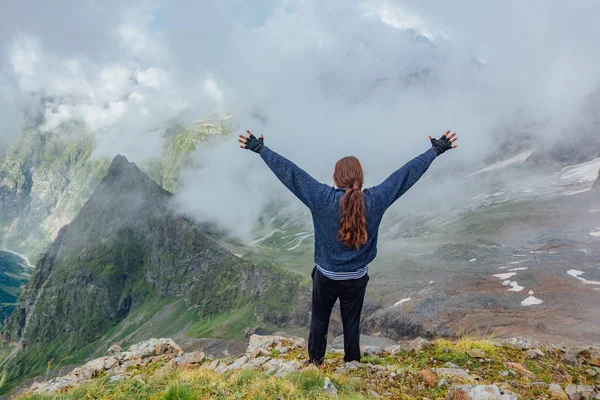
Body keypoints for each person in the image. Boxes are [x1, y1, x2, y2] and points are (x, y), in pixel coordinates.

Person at [238, 129, 458, 365]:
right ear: (360, 179)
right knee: (352, 323)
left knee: (320, 320)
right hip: (356, 278)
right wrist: (435, 150)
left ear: (336, 178)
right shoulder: (376, 200)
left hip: (326, 276)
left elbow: (291, 174)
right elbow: (404, 176)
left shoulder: (321, 198)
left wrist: (260, 149)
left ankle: (315, 362)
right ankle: (352, 363)